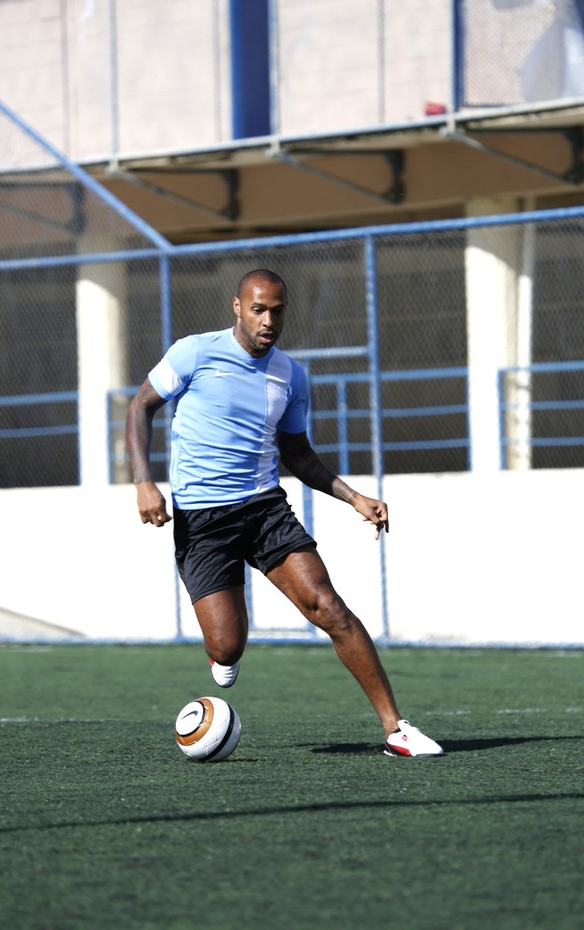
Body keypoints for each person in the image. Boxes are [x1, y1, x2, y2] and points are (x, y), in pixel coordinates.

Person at [125, 269, 443, 758]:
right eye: (258, 309)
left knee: (328, 607)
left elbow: (297, 453)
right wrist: (144, 482)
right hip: (202, 521)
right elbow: (140, 407)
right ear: (237, 307)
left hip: (263, 508)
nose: (268, 320)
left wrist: (354, 497)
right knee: (228, 645)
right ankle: (223, 653)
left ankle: (395, 728)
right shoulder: (194, 352)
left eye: (277, 310)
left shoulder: (291, 375)